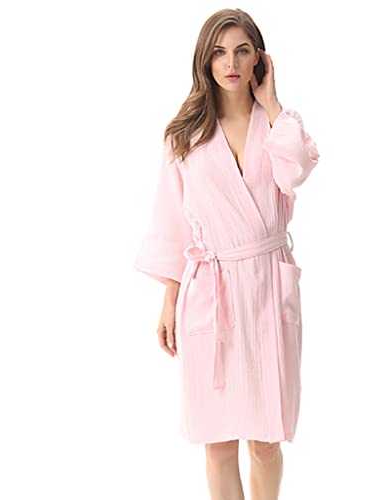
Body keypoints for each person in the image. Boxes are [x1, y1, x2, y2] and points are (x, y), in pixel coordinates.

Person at [134, 8, 319, 500]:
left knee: (265, 441)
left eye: (241, 51)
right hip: (209, 294)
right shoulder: (185, 135)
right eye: (219, 52)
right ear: (205, 60)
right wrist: (169, 300)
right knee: (217, 442)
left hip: (267, 289)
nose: (230, 63)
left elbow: (297, 171)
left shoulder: (277, 125)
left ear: (260, 58)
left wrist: (272, 102)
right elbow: (172, 223)